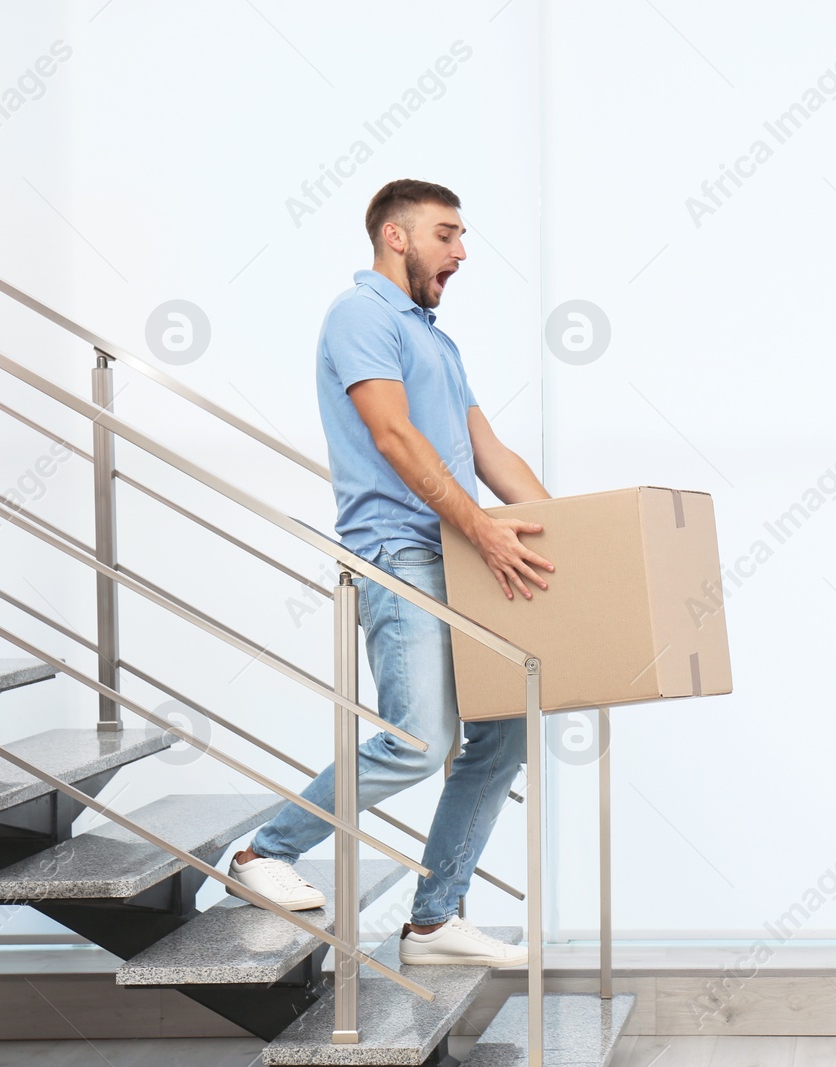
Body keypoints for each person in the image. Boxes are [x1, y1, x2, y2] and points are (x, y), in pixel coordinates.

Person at [223, 178, 554, 967]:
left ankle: (434, 921)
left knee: (503, 734)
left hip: (463, 556)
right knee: (417, 739)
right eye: (447, 234)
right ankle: (263, 851)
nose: (462, 252)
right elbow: (395, 437)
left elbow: (490, 453)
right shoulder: (361, 314)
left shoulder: (436, 339)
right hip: (401, 554)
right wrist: (480, 526)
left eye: (463, 236)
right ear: (396, 236)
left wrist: (577, 537)